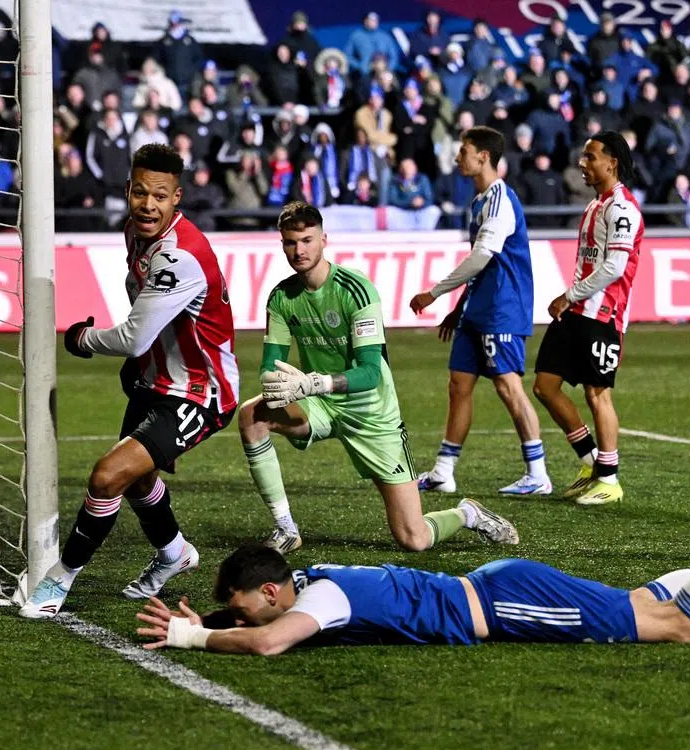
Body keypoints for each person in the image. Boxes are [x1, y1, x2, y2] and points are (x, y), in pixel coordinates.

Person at [134, 495, 690, 654]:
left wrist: (201, 643)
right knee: (640, 602)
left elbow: (273, 642)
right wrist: (212, 618)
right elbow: (263, 619)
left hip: (507, 605)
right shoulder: (312, 575)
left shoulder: (319, 598)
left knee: (675, 628)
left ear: (274, 592)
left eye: (247, 607)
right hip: (500, 584)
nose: (249, 618)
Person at [20, 144, 239, 619]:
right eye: (140, 192)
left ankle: (58, 580)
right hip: (154, 381)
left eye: (160, 196)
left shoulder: (180, 256)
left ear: (176, 198)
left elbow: (136, 335)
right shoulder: (135, 234)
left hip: (201, 392)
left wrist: (84, 340)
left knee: (107, 476)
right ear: (127, 191)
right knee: (138, 481)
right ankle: (175, 552)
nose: (148, 204)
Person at [238, 201, 519, 555]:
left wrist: (312, 383)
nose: (300, 250)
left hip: (372, 412)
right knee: (251, 415)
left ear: (324, 239)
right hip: (320, 405)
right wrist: (274, 383)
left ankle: (467, 514)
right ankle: (285, 528)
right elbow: (270, 364)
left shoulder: (355, 290)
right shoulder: (281, 297)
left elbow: (371, 373)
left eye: (307, 240)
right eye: (291, 243)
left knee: (413, 538)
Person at [409, 127, 551, 497]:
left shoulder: (501, 200)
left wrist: (436, 293)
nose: (459, 158)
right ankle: (444, 470)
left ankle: (537, 473)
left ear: (483, 156)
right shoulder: (480, 201)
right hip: (478, 309)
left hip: (502, 309)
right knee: (459, 385)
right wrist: (459, 308)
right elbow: (481, 267)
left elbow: (483, 256)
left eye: (464, 151)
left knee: (508, 387)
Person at [532, 131, 643, 506]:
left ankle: (609, 481)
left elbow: (615, 266)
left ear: (611, 162)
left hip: (603, 315)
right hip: (577, 310)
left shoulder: (623, 209)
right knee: (545, 386)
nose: (583, 163)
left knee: (598, 394)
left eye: (590, 156)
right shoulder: (595, 205)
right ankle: (590, 462)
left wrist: (569, 295)